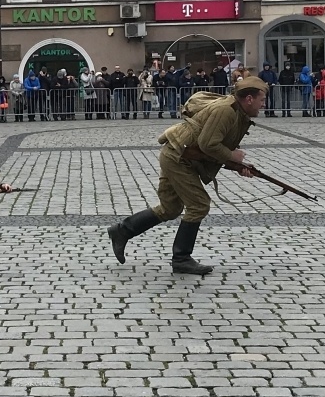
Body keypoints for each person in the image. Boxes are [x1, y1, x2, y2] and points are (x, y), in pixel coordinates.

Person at [107, 77, 268, 276]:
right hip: (178, 157)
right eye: (262, 99)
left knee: (170, 208)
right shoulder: (226, 110)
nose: (264, 104)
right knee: (199, 205)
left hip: (178, 153)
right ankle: (181, 259)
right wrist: (232, 156)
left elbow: (213, 145)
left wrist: (237, 165)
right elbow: (208, 144)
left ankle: (122, 230)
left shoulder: (236, 112)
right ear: (249, 99)